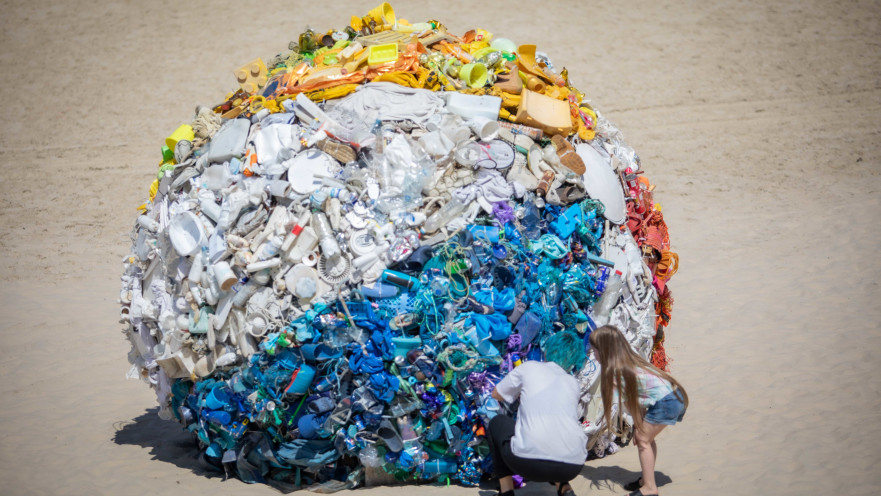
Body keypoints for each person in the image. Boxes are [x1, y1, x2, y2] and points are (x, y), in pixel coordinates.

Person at [588, 325, 689, 496]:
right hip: (674, 395)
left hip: (667, 401)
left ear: (604, 351)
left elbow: (631, 402)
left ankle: (649, 488)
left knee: (642, 440)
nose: (593, 355)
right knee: (646, 440)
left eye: (595, 351)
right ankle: (646, 479)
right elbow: (641, 396)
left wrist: (639, 426)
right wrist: (640, 424)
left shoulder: (615, 372)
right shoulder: (627, 360)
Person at [488, 330, 588, 496]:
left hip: (527, 464)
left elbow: (496, 394)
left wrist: (521, 392)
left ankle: (506, 491)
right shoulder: (573, 383)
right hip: (572, 466)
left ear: (548, 349)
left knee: (497, 422)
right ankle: (565, 488)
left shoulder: (529, 367)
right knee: (559, 431)